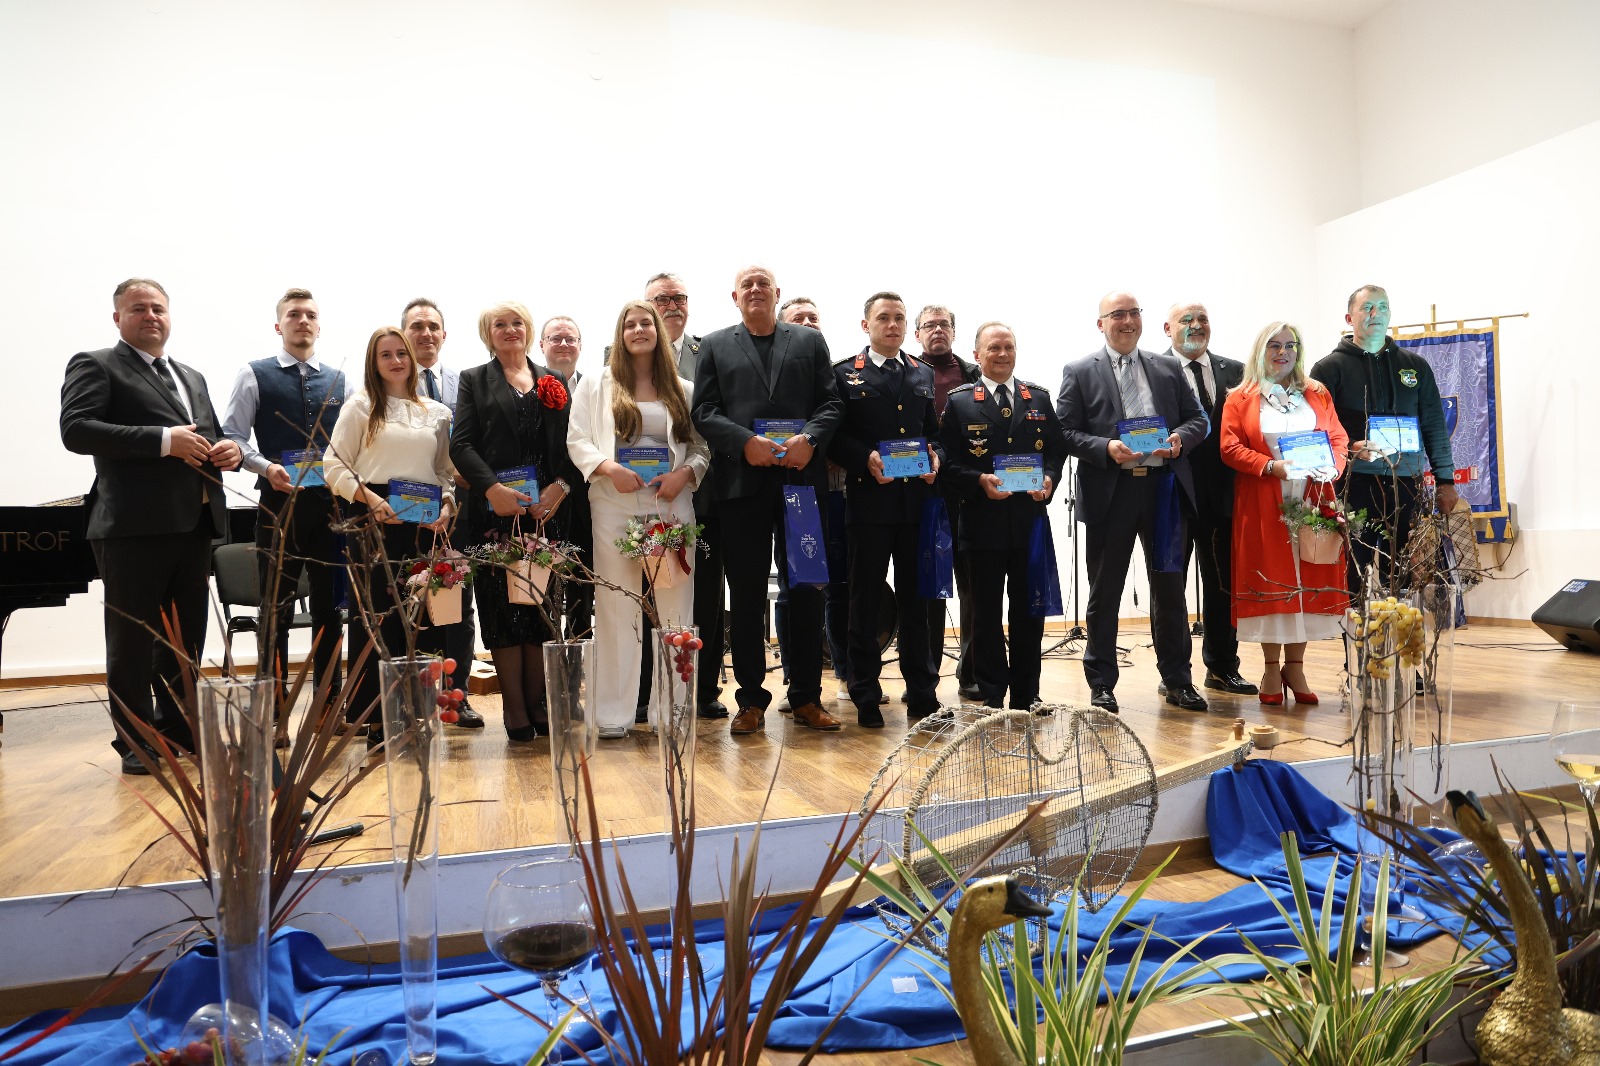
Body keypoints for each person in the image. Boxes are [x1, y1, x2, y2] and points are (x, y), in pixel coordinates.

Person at [60, 278, 241, 775]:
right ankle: (137, 744)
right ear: (117, 318)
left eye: (158, 308)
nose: (150, 316)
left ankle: (181, 732)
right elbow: (76, 429)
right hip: (132, 530)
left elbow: (207, 435)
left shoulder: (190, 374)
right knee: (133, 643)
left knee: (184, 642)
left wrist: (228, 451)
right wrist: (163, 441)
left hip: (194, 524)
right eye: (138, 308)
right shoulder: (96, 364)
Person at [691, 264, 844, 735]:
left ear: (777, 293)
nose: (756, 290)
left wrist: (810, 439)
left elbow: (831, 403)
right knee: (747, 591)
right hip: (742, 484)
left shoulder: (809, 342)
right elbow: (704, 411)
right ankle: (751, 700)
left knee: (805, 589)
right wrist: (744, 443)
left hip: (801, 482)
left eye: (763, 284)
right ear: (735, 296)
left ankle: (806, 698)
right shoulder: (714, 345)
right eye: (747, 285)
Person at [1056, 292, 1210, 715]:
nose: (1127, 321)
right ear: (1101, 323)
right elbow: (1064, 432)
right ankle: (1102, 682)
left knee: (1170, 591)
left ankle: (1177, 680)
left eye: (1134, 313)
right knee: (1105, 592)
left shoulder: (1167, 367)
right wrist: (1106, 447)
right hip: (1112, 493)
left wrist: (1179, 439)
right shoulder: (1079, 371)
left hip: (1163, 490)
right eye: (1118, 314)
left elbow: (1198, 419)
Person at [567, 301, 710, 738]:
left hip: (671, 506)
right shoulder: (595, 384)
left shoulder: (684, 389)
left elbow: (702, 447)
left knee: (675, 611)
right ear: (621, 333)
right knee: (616, 607)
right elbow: (577, 440)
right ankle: (613, 714)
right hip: (613, 506)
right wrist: (609, 468)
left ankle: (673, 712)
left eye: (646, 322)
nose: (639, 329)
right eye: (630, 324)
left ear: (658, 331)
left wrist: (685, 474)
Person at [450, 301, 580, 741]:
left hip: (546, 513)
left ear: (528, 329)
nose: (509, 330)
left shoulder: (552, 379)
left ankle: (538, 703)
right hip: (496, 513)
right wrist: (492, 490)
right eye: (499, 325)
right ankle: (515, 709)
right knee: (502, 611)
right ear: (487, 334)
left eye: (516, 322)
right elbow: (461, 445)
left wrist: (560, 487)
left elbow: (575, 443)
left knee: (540, 609)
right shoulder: (474, 379)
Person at [321, 327, 457, 747]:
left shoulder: (437, 412)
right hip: (374, 520)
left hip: (423, 524)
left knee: (422, 621)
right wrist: (373, 501)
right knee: (377, 620)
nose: (396, 361)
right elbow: (334, 466)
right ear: (373, 362)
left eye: (402, 353)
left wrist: (447, 505)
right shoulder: (360, 406)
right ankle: (379, 721)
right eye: (386, 355)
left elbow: (444, 471)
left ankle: (418, 714)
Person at [221, 287, 346, 724]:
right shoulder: (253, 374)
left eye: (310, 314)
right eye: (294, 314)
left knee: (330, 611)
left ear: (319, 325)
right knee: (275, 609)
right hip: (278, 507)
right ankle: (274, 709)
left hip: (332, 511)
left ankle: (329, 708)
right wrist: (265, 466)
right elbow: (232, 437)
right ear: (279, 325)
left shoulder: (341, 380)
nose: (302, 320)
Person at [827, 292, 944, 727]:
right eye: (883, 318)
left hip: (915, 506)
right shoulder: (844, 374)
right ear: (866, 325)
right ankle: (865, 694)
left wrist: (936, 458)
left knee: (917, 603)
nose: (892, 325)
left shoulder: (921, 372)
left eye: (899, 318)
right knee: (865, 602)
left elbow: (934, 434)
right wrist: (865, 459)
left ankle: (922, 693)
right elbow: (833, 436)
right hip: (868, 504)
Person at [1220, 322, 1350, 704]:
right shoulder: (1240, 397)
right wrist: (1268, 466)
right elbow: (1229, 446)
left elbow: (1337, 437)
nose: (1283, 352)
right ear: (1260, 350)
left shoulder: (1317, 393)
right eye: (1274, 345)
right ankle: (1271, 669)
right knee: (1273, 580)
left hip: (1312, 493)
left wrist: (1334, 466)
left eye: (1290, 346)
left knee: (1308, 575)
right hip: (1265, 496)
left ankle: (1296, 666)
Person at [938, 323, 1066, 710]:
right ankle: (992, 693)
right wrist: (979, 480)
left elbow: (1056, 451)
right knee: (985, 615)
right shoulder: (960, 402)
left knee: (1030, 613)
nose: (1003, 354)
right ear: (977, 355)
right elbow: (947, 462)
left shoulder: (1038, 398)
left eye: (1009, 347)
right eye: (994, 347)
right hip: (981, 525)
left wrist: (1049, 479)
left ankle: (1027, 694)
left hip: (1029, 525)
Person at [1309, 284, 1458, 594]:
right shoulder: (1328, 369)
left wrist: (1445, 480)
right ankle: (1357, 625)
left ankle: (1402, 625)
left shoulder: (1415, 367)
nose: (1375, 314)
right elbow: (1317, 430)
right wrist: (1350, 447)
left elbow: (1434, 424)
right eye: (1367, 307)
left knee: (1406, 576)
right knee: (1353, 573)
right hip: (1354, 484)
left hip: (1407, 483)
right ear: (1349, 318)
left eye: (1382, 307)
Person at [1162, 301, 1257, 696]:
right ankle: (1174, 676)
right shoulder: (1153, 370)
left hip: (1223, 497)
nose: (1196, 325)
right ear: (1167, 329)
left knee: (1222, 586)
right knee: (1169, 590)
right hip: (1171, 497)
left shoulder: (1237, 372)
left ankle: (1221, 667)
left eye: (1202, 319)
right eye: (1186, 319)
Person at [646, 272, 726, 719]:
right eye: (662, 299)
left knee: (706, 591)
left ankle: (704, 687)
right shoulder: (616, 357)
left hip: (703, 491)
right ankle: (648, 691)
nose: (672, 305)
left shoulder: (708, 351)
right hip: (646, 497)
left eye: (679, 297)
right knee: (650, 590)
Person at [401, 296, 483, 727]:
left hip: (460, 509)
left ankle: (458, 697)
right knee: (414, 604)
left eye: (433, 326)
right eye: (416, 326)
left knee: (457, 606)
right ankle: (418, 699)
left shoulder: (463, 382)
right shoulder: (388, 385)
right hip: (408, 511)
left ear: (444, 335)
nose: (426, 334)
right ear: (403, 334)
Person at [915, 303, 982, 701]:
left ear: (954, 332)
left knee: (973, 586)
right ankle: (926, 677)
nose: (937, 330)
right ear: (918, 334)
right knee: (929, 588)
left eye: (944, 324)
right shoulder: (906, 371)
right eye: (929, 325)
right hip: (924, 491)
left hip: (969, 492)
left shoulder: (975, 375)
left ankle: (970, 672)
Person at [540, 316, 593, 642]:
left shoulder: (596, 387)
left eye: (570, 339)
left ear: (580, 346)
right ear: (541, 345)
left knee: (582, 592)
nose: (563, 344)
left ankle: (579, 657)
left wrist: (567, 482)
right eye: (555, 338)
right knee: (541, 591)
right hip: (542, 502)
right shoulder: (529, 388)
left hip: (587, 502)